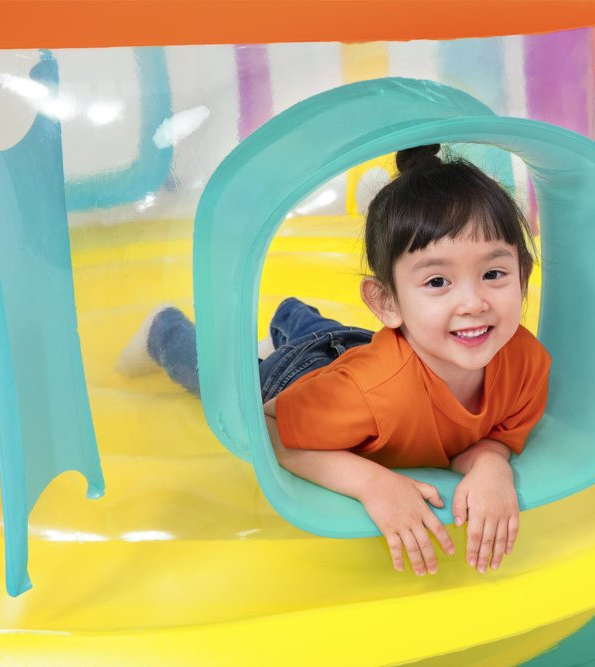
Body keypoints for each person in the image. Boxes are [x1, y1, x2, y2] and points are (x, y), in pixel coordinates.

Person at [117, 144, 551, 578]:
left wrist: (490, 464)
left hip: (365, 349)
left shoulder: (525, 363)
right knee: (221, 380)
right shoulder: (372, 394)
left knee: (336, 342)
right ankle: (164, 330)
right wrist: (371, 483)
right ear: (387, 303)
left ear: (523, 275)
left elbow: (494, 430)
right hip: (298, 378)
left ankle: (293, 317)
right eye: (438, 281)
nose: (474, 303)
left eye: (493, 274)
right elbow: (266, 427)